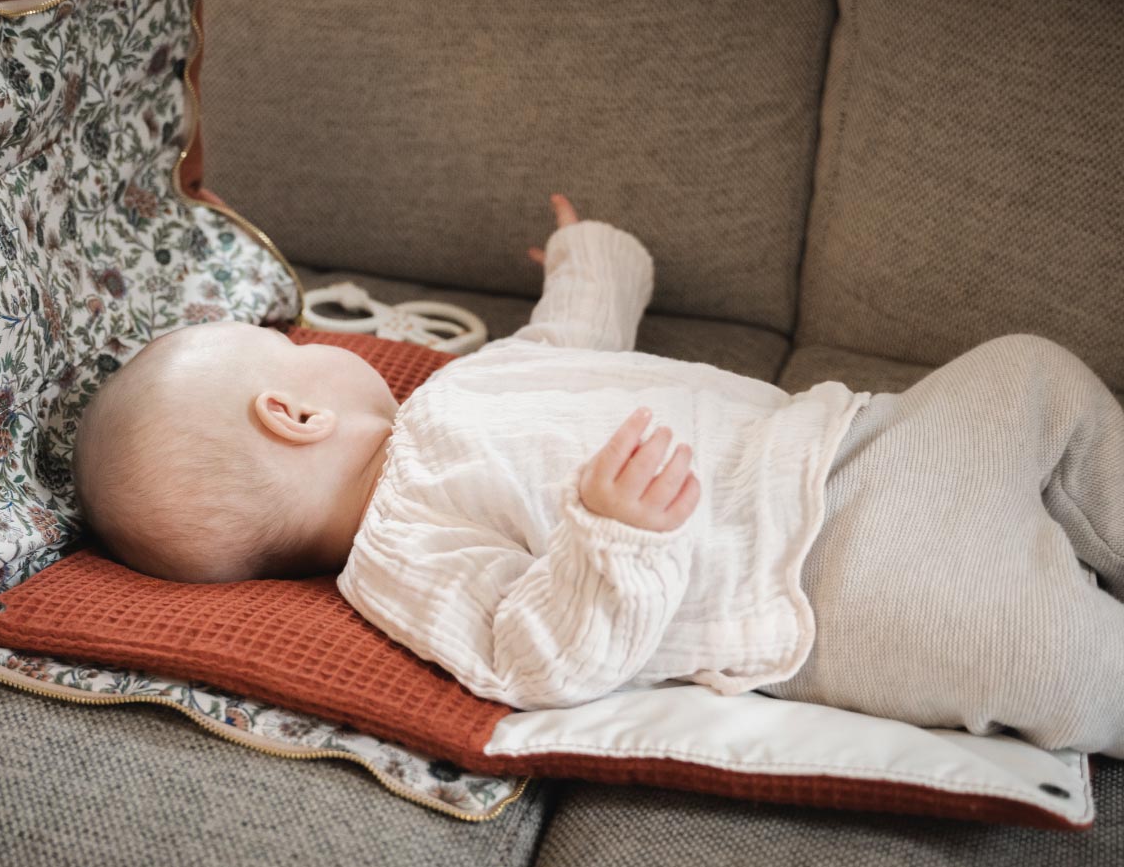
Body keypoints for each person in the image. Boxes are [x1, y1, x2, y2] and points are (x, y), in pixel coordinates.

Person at [72, 195, 1124, 755]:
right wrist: (610, 539)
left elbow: (570, 339)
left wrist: (590, 259)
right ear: (293, 411)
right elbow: (530, 656)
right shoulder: (395, 559)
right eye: (292, 346)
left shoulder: (455, 391)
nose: (318, 345)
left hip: (851, 449)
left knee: (1025, 375)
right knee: (1040, 652)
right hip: (823, 586)